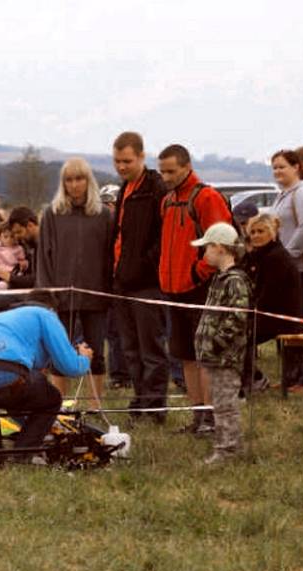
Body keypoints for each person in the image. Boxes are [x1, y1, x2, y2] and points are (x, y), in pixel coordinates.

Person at [0, 291, 93, 454]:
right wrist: (84, 358)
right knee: (52, 399)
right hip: (8, 378)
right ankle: (22, 452)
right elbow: (71, 367)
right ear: (53, 309)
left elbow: (28, 360)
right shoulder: (46, 315)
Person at [157, 143, 232, 434]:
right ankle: (198, 415)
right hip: (173, 288)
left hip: (199, 288)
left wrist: (197, 272)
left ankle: (212, 416)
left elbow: (222, 239)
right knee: (185, 354)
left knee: (205, 356)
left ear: (187, 167)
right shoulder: (167, 201)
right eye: (162, 171)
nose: (166, 177)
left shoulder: (206, 197)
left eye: (171, 171)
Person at [36, 157, 113, 401]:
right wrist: (47, 293)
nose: (75, 184)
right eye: (69, 180)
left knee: (96, 352)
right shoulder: (52, 214)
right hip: (60, 296)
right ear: (63, 183)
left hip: (95, 294)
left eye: (79, 178)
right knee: (60, 350)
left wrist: (107, 291)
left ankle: (95, 404)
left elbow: (109, 254)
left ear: (88, 181)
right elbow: (44, 255)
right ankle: (58, 404)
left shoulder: (103, 215)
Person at [110, 132, 169, 422]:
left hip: (147, 283)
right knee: (130, 348)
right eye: (117, 161)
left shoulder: (156, 188)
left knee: (151, 348)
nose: (121, 166)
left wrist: (144, 266)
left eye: (127, 161)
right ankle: (140, 400)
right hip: (122, 282)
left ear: (142, 157)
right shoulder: (125, 189)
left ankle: (155, 406)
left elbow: (162, 236)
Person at [192, 223, 251, 464]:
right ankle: (227, 445)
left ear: (220, 248)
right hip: (216, 356)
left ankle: (228, 450)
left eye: (207, 248)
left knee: (226, 404)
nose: (204, 253)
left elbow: (238, 316)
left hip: (226, 356)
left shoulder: (235, 281)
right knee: (220, 402)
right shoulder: (220, 279)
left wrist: (216, 342)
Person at [242, 213, 302, 388]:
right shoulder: (259, 256)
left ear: (272, 232)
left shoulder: (275, 258)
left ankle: (256, 379)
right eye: (252, 232)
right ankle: (254, 377)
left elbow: (267, 297)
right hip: (267, 313)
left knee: (237, 336)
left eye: (261, 231)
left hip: (280, 317)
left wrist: (249, 316)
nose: (256, 236)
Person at [270, 150, 303, 318]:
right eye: (274, 168)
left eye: (282, 167)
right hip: (286, 268)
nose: (277, 171)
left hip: (300, 269)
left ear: (296, 167)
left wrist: (287, 255)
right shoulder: (282, 195)